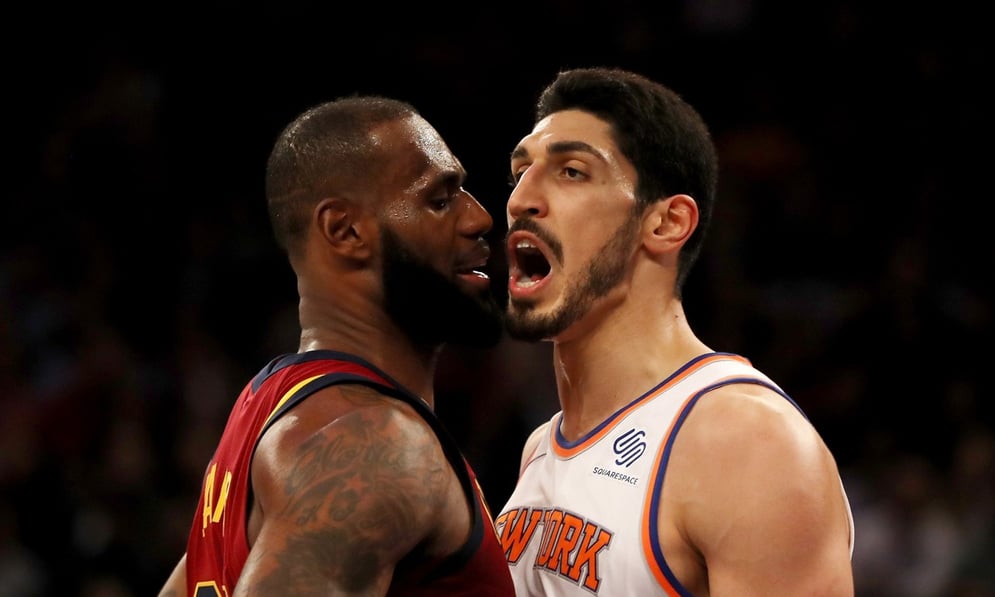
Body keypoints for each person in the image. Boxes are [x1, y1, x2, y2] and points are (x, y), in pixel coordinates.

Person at [493, 67, 855, 596]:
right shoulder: (540, 449)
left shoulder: (746, 441)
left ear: (665, 224)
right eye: (519, 172)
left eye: (571, 171)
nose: (521, 198)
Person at [158, 95, 516, 596]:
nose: (479, 218)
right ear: (345, 231)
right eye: (439, 199)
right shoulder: (377, 444)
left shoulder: (270, 406)